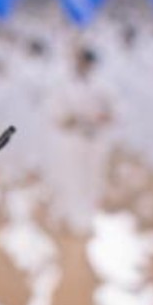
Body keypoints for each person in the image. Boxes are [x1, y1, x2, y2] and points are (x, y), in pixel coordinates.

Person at [47, 43, 113, 234]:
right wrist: (74, 118)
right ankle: (71, 217)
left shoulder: (103, 86)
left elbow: (114, 112)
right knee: (71, 177)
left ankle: (88, 218)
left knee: (93, 179)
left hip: (95, 139)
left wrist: (99, 118)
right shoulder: (63, 85)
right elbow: (56, 114)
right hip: (72, 138)